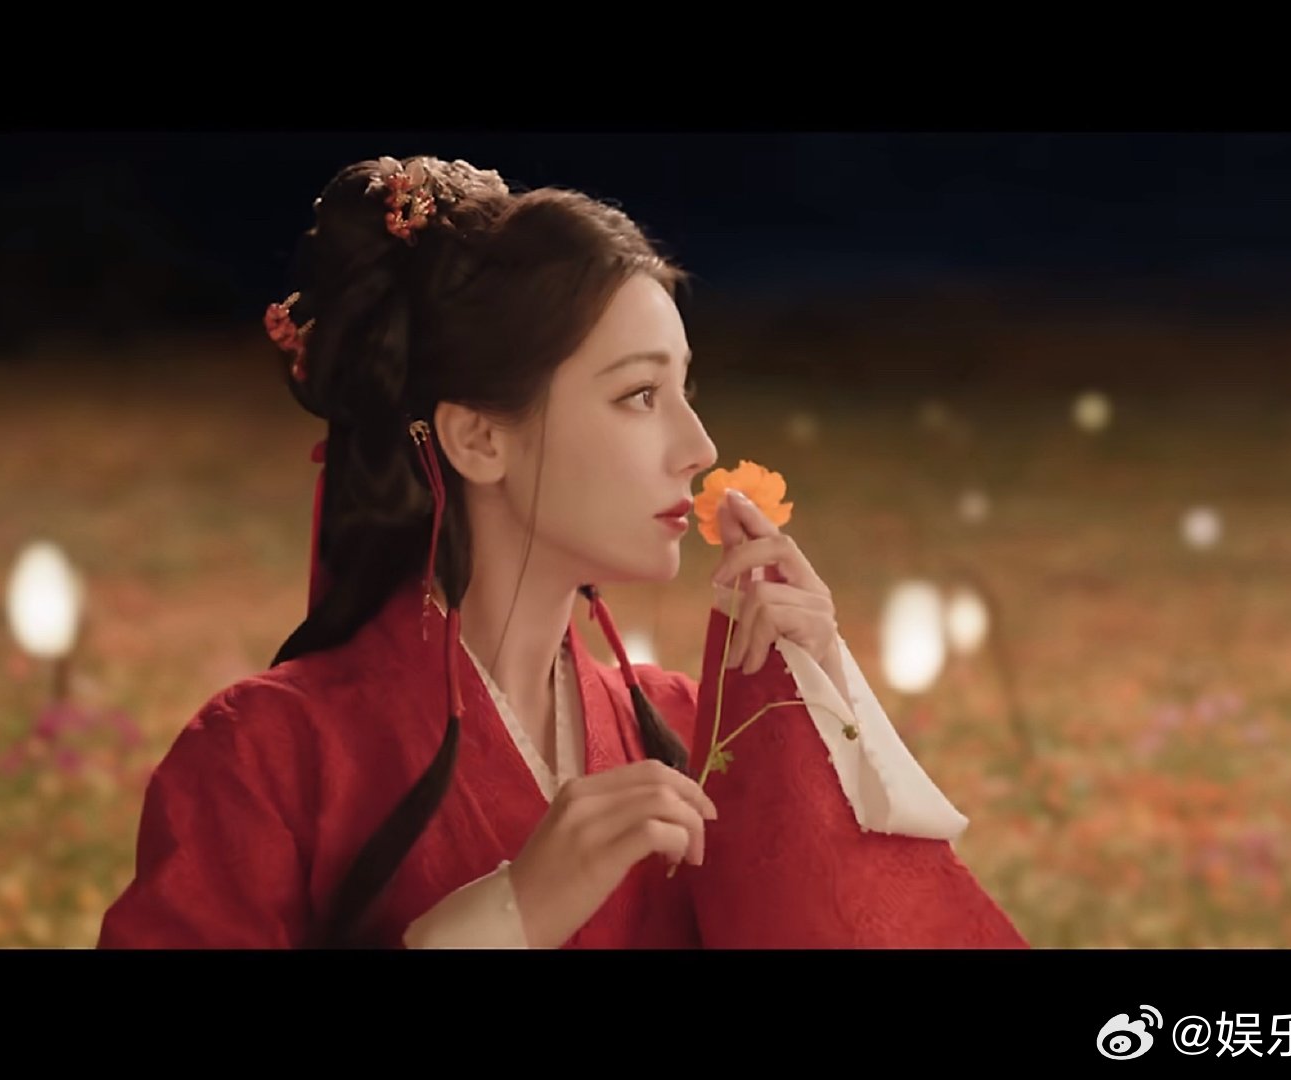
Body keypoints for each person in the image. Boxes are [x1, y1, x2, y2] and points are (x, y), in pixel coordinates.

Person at [97, 155, 1030, 949]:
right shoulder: (266, 753)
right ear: (478, 439)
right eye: (638, 396)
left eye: (686, 391)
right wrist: (506, 916)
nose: (699, 446)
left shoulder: (693, 730)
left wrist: (819, 706)